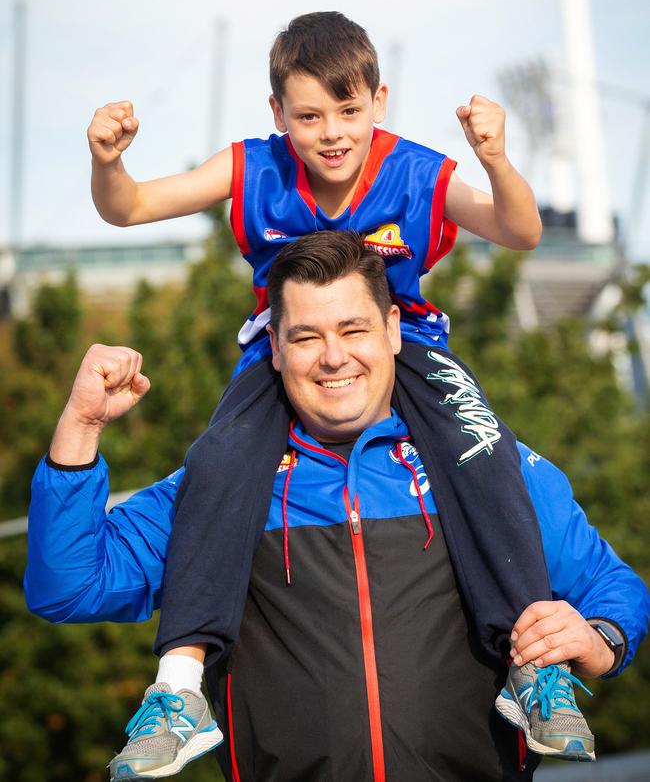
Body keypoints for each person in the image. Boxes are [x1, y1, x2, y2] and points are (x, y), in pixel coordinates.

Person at [86, 9, 560, 775]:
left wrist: (499, 160)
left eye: (349, 110)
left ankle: (535, 667)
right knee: (218, 466)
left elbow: (520, 230)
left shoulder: (416, 172)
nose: (331, 132)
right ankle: (179, 687)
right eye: (309, 115)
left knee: (487, 452)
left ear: (379, 99)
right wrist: (109, 162)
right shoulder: (253, 169)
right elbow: (130, 206)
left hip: (406, 346)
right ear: (279, 114)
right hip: (290, 353)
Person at [25, 232, 650, 781]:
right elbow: (69, 586)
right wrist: (81, 426)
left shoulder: (484, 463)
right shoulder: (223, 484)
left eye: (353, 329)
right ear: (273, 348)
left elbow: (610, 585)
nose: (333, 356)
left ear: (393, 332)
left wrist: (598, 641)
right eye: (306, 336)